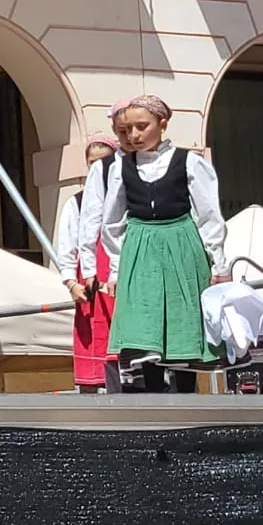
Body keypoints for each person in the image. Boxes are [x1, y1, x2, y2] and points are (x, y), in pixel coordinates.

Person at [92, 95, 230, 393]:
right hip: (140, 245)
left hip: (181, 242)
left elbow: (208, 215)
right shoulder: (121, 168)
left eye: (142, 127)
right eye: (127, 130)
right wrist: (116, 268)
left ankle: (186, 394)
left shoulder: (188, 162)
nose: (134, 136)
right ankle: (154, 397)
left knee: (183, 319)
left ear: (163, 124)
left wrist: (218, 262)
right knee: (145, 321)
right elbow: (112, 221)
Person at [56, 134, 120, 393]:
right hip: (90, 279)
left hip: (119, 274)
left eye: (103, 162)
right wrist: (71, 282)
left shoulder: (124, 195)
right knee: (93, 338)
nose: (97, 169)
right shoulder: (77, 202)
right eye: (92, 163)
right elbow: (66, 246)